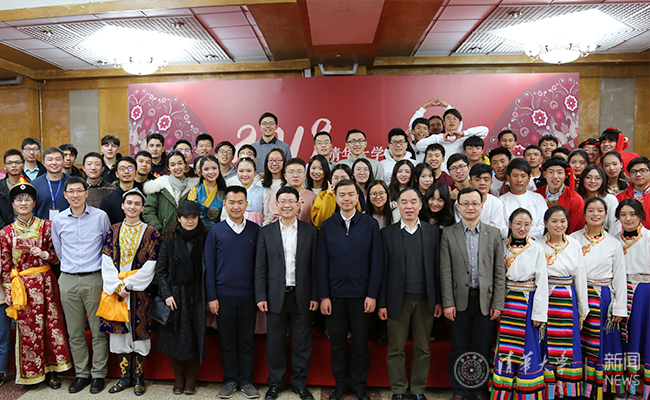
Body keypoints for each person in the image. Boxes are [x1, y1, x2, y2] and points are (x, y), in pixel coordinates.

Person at [0, 183, 73, 388]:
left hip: (46, 283)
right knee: (28, 330)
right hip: (22, 287)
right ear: (13, 205)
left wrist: (45, 254)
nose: (23, 203)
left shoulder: (47, 226)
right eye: (19, 200)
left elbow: (58, 256)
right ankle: (32, 373)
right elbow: (5, 265)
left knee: (52, 327)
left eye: (27, 199)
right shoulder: (5, 233)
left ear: (34, 203)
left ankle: (52, 371)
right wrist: (8, 292)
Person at [317, 179, 383, 400]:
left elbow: (377, 262)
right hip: (334, 297)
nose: (346, 198)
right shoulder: (328, 226)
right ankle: (340, 385)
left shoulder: (370, 224)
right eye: (342, 195)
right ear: (336, 198)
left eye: (351, 194)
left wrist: (372, 294)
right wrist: (324, 296)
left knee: (361, 343)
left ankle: (359, 385)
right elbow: (321, 263)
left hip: (362, 296)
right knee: (337, 344)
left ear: (357, 197)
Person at [440, 187, 505, 400]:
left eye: (475, 203)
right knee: (458, 347)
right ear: (458, 207)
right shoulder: (449, 234)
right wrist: (447, 302)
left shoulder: (493, 234)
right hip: (458, 301)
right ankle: (459, 390)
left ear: (481, 206)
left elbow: (499, 272)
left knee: (481, 348)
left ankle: (478, 389)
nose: (470, 207)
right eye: (465, 203)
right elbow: (445, 271)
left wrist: (498, 303)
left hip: (485, 301)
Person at [255, 186, 319, 400]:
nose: (287, 205)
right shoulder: (266, 232)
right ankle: (275, 383)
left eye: (291, 201)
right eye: (282, 201)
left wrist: (315, 296)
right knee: (275, 343)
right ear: (276, 204)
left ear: (299, 204)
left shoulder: (310, 231)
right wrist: (261, 296)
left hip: (302, 295)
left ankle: (300, 384)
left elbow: (315, 267)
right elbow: (260, 267)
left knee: (302, 343)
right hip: (275, 295)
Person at [378, 187, 441, 400]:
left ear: (421, 205)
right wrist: (382, 303)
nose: (409, 206)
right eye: (404, 202)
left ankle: (418, 389)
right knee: (396, 348)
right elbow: (383, 271)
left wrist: (438, 301)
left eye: (413, 201)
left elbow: (438, 269)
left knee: (423, 348)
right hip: (397, 300)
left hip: (425, 300)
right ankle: (398, 389)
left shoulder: (433, 232)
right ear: (397, 205)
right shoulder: (387, 234)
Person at [51, 176, 111, 394]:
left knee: (98, 330)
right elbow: (58, 250)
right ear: (65, 195)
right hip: (67, 279)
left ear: (86, 193)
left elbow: (107, 246)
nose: (75, 195)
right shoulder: (58, 220)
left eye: (79, 191)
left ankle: (98, 374)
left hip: (94, 277)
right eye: (71, 191)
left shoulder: (100, 216)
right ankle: (82, 374)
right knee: (75, 331)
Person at [99, 188, 159, 396]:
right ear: (122, 206)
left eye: (137, 204)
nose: (132, 207)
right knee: (119, 334)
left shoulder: (151, 232)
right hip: (116, 291)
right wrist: (117, 287)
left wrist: (129, 285)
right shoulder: (113, 230)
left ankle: (139, 379)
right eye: (129, 203)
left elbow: (151, 264)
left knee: (139, 333)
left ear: (143, 208)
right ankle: (124, 378)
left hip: (140, 292)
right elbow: (106, 260)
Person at [205, 186, 261, 399]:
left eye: (240, 202)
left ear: (247, 204)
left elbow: (260, 266)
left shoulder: (256, 230)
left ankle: (246, 381)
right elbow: (209, 266)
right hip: (223, 296)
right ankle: (230, 380)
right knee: (227, 341)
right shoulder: (215, 231)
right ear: (224, 204)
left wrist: (259, 295)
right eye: (231, 202)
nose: (236, 206)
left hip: (248, 296)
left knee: (246, 340)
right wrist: (212, 296)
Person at [570, 197, 627, 399]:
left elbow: (619, 276)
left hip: (603, 298)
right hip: (578, 295)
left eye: (600, 211)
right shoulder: (573, 239)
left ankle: (602, 388)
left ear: (606, 214)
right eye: (591, 210)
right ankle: (578, 386)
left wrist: (620, 307)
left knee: (603, 344)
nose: (595, 214)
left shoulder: (614, 243)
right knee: (579, 342)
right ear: (584, 214)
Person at [490, 208, 548, 400]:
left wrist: (539, 313)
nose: (522, 228)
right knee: (505, 347)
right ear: (510, 224)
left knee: (528, 346)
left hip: (527, 301)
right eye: (518, 224)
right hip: (505, 301)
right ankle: (503, 390)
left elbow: (542, 282)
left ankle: (526, 392)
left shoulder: (537, 248)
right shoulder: (501, 245)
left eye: (526, 225)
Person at [156, 201, 207, 395]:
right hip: (175, 295)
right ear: (178, 218)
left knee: (195, 336)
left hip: (198, 294)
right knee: (176, 337)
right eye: (186, 217)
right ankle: (178, 377)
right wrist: (167, 294)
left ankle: (191, 378)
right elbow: (160, 272)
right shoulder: (169, 240)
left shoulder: (206, 238)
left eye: (194, 217)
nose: (190, 221)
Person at [538, 206, 588, 398]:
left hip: (567, 298)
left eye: (562, 221)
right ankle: (548, 388)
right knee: (545, 341)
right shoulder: (537, 245)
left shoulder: (574, 245)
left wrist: (583, 307)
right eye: (554, 221)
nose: (558, 225)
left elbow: (580, 276)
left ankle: (567, 389)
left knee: (568, 342)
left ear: (568, 223)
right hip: (545, 297)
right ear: (545, 223)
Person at [615, 199, 650, 399]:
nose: (628, 219)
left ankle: (640, 388)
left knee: (641, 338)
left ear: (641, 216)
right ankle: (622, 385)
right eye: (623, 214)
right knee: (622, 340)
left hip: (644, 294)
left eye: (632, 214)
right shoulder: (613, 240)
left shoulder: (649, 237)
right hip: (619, 292)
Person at [415, 108, 488, 173]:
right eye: (448, 119)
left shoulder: (464, 138)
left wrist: (463, 133)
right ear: (444, 123)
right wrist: (442, 138)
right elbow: (419, 146)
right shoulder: (438, 138)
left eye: (455, 119)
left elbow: (485, 131)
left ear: (460, 123)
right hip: (442, 175)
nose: (451, 121)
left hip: (460, 173)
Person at [143, 150, 200, 232]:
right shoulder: (158, 185)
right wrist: (159, 230)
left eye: (180, 163)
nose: (177, 167)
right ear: (168, 167)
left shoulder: (193, 186)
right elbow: (148, 211)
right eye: (173, 165)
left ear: (185, 164)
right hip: (164, 233)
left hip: (187, 233)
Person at [535, 157, 586, 234]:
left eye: (559, 172)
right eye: (551, 172)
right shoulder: (536, 195)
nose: (555, 176)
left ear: (566, 175)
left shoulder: (575, 199)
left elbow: (576, 229)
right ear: (544, 174)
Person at [500, 158, 548, 239]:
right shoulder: (501, 201)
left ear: (529, 178)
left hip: (536, 242)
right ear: (508, 178)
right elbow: (501, 228)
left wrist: (528, 237)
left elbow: (543, 224)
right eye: (515, 176)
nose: (519, 180)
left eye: (523, 176)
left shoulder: (538, 198)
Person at [460, 163, 508, 239]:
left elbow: (497, 230)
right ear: (470, 182)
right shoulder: (461, 202)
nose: (482, 183)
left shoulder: (496, 203)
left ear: (491, 183)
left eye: (486, 180)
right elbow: (462, 229)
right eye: (477, 180)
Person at [311, 165, 361, 229]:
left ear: (351, 179)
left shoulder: (353, 196)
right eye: (336, 178)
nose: (339, 181)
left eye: (344, 178)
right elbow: (319, 223)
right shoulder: (322, 195)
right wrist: (329, 196)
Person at [268, 158, 316, 225]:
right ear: (285, 176)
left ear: (305, 176)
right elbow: (275, 221)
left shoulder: (313, 197)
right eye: (291, 172)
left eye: (299, 172)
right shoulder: (276, 196)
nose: (295, 175)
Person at [577, 165, 620, 233]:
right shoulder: (577, 199)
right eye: (588, 177)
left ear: (603, 180)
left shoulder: (610, 200)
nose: (592, 181)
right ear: (582, 179)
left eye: (597, 178)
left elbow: (615, 227)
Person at [31, 146, 69, 220]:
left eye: (58, 159)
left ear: (63, 162)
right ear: (44, 163)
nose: (54, 163)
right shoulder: (35, 184)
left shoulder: (72, 183)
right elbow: (32, 211)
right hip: (41, 226)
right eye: (50, 159)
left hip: (68, 225)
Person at [187, 155, 226, 227]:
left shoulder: (225, 192)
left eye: (214, 168)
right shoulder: (195, 191)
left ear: (219, 169)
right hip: (198, 230)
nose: (211, 172)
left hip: (218, 230)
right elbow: (189, 214)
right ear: (201, 172)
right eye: (206, 169)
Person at [100, 156, 138, 225]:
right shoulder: (107, 200)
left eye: (130, 168)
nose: (126, 171)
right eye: (122, 168)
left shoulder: (143, 197)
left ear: (136, 173)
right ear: (116, 174)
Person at [616, 156, 650, 229]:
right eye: (633, 172)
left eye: (643, 170)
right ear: (629, 174)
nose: (638, 174)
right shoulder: (620, 197)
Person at [0, 149, 28, 227]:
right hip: (4, 229)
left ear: (23, 165)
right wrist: (6, 230)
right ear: (5, 166)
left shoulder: (30, 184)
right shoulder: (0, 186)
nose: (14, 165)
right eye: (9, 163)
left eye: (17, 162)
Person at [234, 158, 265, 225]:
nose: (245, 174)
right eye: (241, 171)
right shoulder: (232, 192)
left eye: (249, 171)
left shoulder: (263, 192)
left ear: (254, 173)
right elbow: (225, 215)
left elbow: (268, 217)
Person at [262, 148, 287, 226]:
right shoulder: (260, 185)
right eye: (271, 160)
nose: (274, 164)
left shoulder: (289, 184)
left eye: (278, 160)